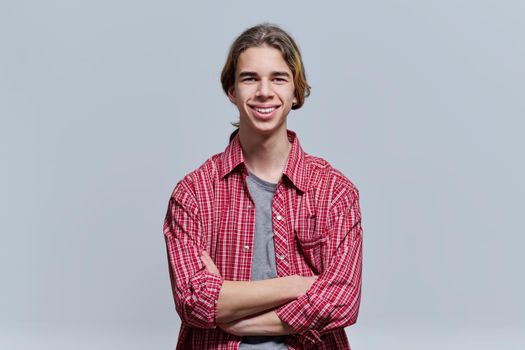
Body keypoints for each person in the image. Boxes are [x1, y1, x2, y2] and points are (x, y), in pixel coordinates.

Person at [163, 23, 363, 350]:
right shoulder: (194, 193)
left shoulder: (334, 191)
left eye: (278, 78)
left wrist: (229, 310)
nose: (264, 91)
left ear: (296, 92)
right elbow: (193, 300)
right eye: (250, 78)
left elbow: (342, 299)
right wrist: (298, 285)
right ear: (231, 90)